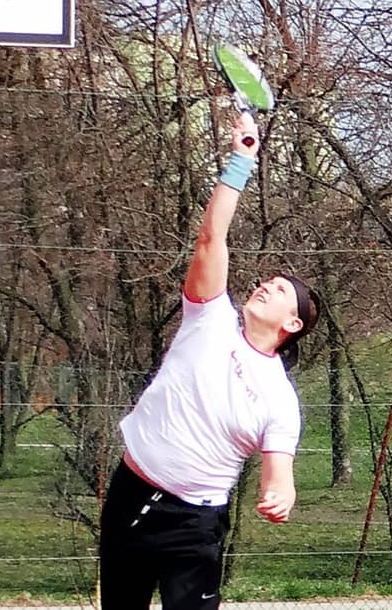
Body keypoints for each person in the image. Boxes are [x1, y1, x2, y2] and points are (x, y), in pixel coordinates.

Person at [98, 111, 321, 610]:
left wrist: (281, 497)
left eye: (280, 290)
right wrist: (241, 159)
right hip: (130, 493)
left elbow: (279, 476)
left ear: (292, 323)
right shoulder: (209, 317)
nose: (266, 286)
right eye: (267, 281)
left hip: (193, 526)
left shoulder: (280, 400)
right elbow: (210, 238)